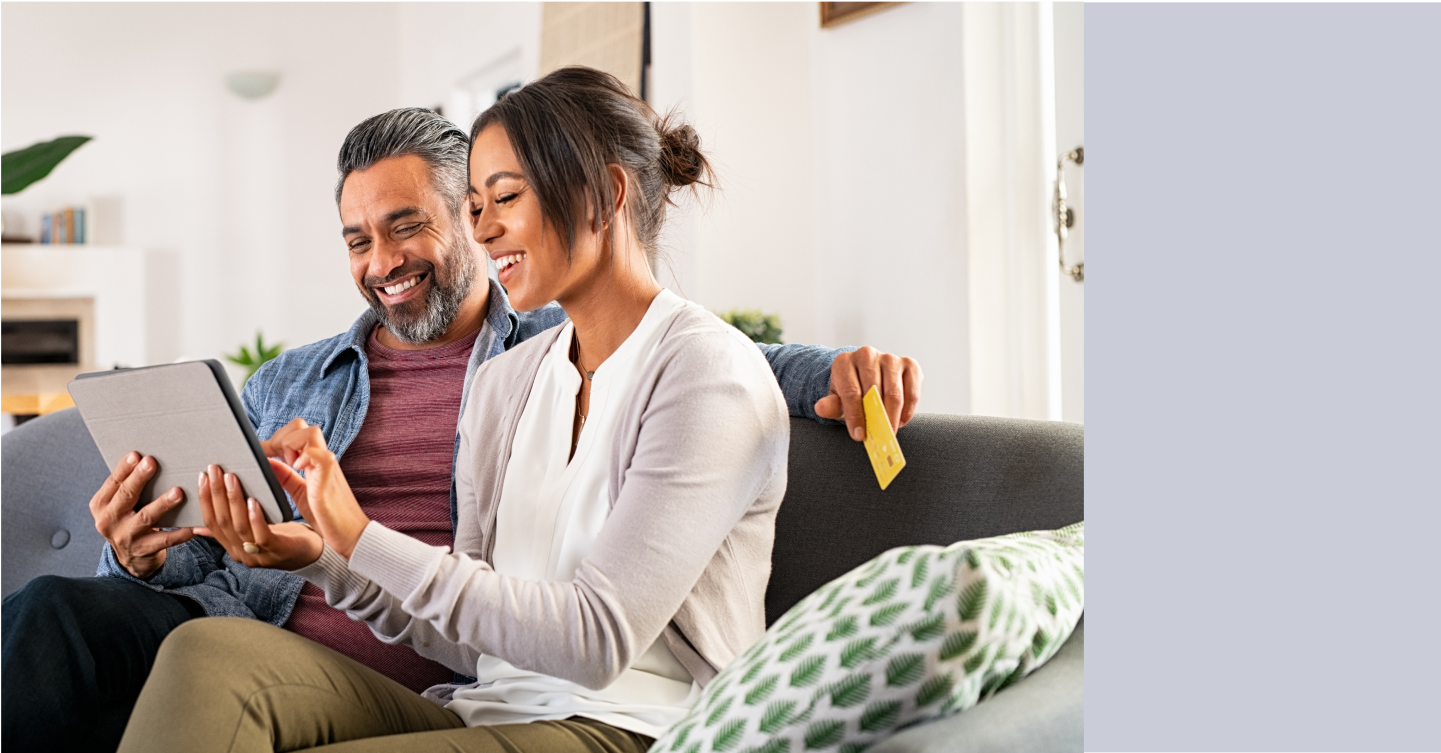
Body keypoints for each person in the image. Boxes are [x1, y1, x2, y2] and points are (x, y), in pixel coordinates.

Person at [0, 108, 922, 752]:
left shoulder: (555, 346)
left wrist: (837, 371)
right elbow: (226, 550)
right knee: (53, 614)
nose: (383, 262)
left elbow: (704, 358)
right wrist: (148, 553)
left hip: (434, 666)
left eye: (408, 227)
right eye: (359, 240)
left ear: (473, 221)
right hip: (272, 634)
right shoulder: (295, 377)